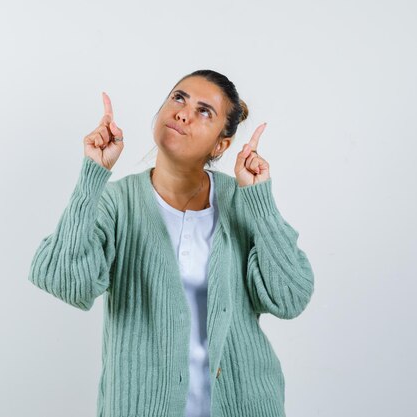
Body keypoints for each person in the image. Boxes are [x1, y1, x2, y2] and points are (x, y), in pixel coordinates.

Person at [28, 69, 314, 417]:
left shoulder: (241, 201)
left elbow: (290, 297)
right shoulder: (118, 203)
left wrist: (260, 200)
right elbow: (64, 280)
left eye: (204, 111)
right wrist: (93, 174)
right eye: (179, 98)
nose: (183, 112)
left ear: (221, 145)